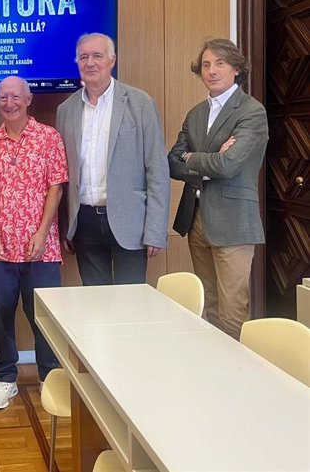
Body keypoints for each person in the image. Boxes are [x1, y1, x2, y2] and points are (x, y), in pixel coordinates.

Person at [0, 75, 68, 410]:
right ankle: (6, 378)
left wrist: (43, 232)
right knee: (0, 316)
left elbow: (56, 188)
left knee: (43, 317)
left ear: (29, 99)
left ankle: (49, 376)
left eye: (16, 96)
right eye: (3, 97)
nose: (9, 103)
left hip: (40, 248)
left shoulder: (49, 138)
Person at [169, 39, 268, 339]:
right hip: (196, 218)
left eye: (220, 63)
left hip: (233, 220)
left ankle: (237, 379)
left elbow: (229, 166)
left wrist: (193, 158)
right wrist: (211, 158)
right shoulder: (196, 113)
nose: (211, 71)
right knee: (208, 306)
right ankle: (214, 376)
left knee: (232, 309)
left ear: (237, 69)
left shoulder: (251, 111)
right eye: (206, 65)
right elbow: (173, 162)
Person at [56, 33, 170, 285]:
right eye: (83, 57)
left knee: (130, 307)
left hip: (130, 223)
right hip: (84, 222)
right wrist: (66, 226)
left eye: (97, 56)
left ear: (112, 60)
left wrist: (155, 230)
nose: (90, 63)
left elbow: (157, 170)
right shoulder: (66, 110)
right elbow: (63, 176)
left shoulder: (140, 103)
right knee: (96, 307)